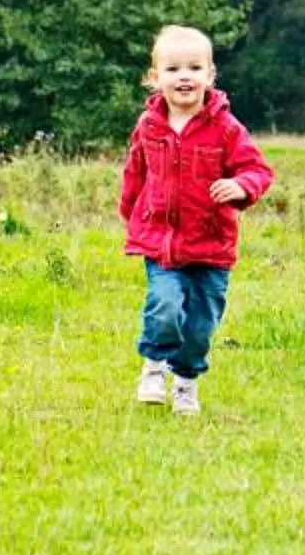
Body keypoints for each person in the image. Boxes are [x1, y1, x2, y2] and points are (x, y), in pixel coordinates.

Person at [116, 24, 275, 415]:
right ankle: (153, 367)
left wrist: (240, 186)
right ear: (155, 79)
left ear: (210, 75)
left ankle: (186, 383)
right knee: (164, 306)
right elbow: (134, 175)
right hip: (163, 244)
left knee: (201, 326)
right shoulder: (148, 126)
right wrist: (132, 219)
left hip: (211, 247)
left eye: (193, 68)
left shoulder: (224, 127)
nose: (184, 76)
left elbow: (258, 169)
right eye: (172, 70)